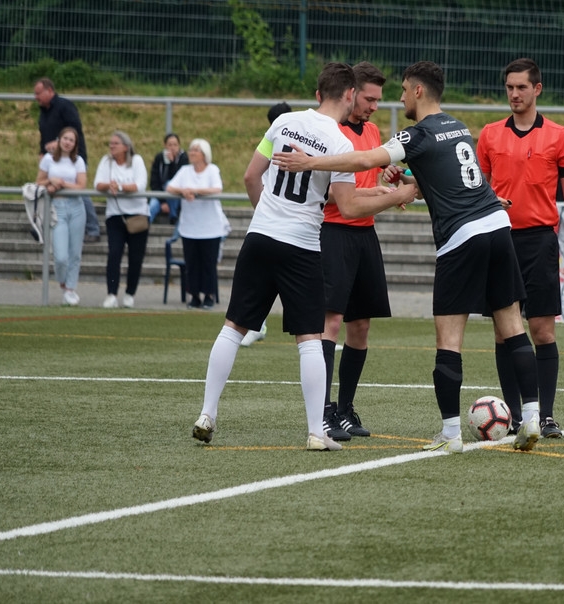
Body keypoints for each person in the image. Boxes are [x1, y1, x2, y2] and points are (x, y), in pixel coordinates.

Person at [273, 60, 545, 454]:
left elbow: (365, 160)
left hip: (462, 237)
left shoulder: (416, 133)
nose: (399, 99)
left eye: (402, 91)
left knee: (448, 339)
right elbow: (449, 176)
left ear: (418, 91)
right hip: (497, 226)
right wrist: (410, 180)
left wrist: (310, 162)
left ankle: (450, 434)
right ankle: (532, 417)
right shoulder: (458, 126)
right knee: (513, 327)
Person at [190, 62, 415, 452]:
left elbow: (250, 176)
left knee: (233, 328)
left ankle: (207, 414)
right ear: (349, 95)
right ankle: (316, 432)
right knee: (310, 339)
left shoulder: (283, 122)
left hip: (261, 236)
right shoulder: (341, 144)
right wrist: (399, 195)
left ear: (317, 94)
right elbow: (348, 207)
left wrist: (268, 216)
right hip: (302, 245)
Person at [476, 58, 564, 439]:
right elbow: (478, 189)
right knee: (503, 333)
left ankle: (545, 416)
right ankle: (512, 417)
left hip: (540, 242)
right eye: (509, 87)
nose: (514, 94)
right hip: (499, 240)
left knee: (542, 331)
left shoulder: (559, 137)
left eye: (521, 87)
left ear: (537, 89)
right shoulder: (490, 135)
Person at [318, 62, 394, 442]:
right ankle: (322, 410)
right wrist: (379, 194)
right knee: (330, 323)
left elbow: (372, 176)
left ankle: (345, 409)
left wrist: (387, 179)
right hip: (333, 233)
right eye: (369, 99)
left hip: (365, 234)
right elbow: (333, 194)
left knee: (360, 326)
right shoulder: (330, 132)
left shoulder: (374, 130)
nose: (374, 106)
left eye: (378, 100)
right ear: (350, 93)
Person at [239, 102, 293, 348]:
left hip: (278, 220)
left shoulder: (277, 138)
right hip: (285, 221)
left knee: (262, 278)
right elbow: (252, 177)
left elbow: (250, 177)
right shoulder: (277, 139)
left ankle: (256, 325)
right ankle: (319, 334)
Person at [34, 78, 101, 243]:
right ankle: (43, 223)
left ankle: (93, 227)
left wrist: (59, 142)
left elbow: (75, 128)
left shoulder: (65, 106)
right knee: (47, 187)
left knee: (78, 190)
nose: (36, 97)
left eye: (38, 93)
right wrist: (42, 151)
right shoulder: (43, 112)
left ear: (50, 91)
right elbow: (44, 134)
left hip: (73, 157)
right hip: (54, 159)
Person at [166, 138, 225, 310]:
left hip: (210, 227)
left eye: (196, 150)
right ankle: (194, 296)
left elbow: (217, 188)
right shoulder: (185, 171)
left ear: (204, 154)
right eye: (191, 150)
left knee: (208, 263)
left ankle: (209, 295)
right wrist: (183, 191)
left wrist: (195, 191)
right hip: (190, 226)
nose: (191, 153)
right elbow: (170, 187)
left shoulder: (212, 170)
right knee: (192, 264)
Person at [94, 130, 149, 309]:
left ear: (126, 147)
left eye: (115, 143)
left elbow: (140, 185)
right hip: (115, 215)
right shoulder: (106, 161)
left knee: (135, 257)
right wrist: (108, 185)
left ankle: (130, 293)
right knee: (114, 254)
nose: (112, 146)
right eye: (110, 143)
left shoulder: (137, 160)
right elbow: (97, 184)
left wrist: (120, 187)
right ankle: (111, 293)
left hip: (137, 215)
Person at [35, 126, 87, 306]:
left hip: (76, 207)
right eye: (65, 138)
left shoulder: (78, 161)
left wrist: (62, 184)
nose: (68, 143)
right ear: (59, 140)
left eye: (71, 140)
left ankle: (70, 289)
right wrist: (51, 181)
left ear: (75, 144)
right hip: (57, 208)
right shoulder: (48, 159)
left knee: (75, 253)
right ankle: (63, 282)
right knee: (60, 256)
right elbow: (39, 182)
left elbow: (81, 185)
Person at [148, 133, 189, 224]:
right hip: (160, 194)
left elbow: (179, 179)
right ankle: (145, 228)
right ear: (165, 145)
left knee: (169, 183)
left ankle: (173, 217)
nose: (172, 148)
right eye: (170, 145)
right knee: (151, 207)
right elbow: (154, 182)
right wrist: (163, 202)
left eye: (175, 145)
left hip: (177, 195)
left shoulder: (183, 158)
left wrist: (172, 163)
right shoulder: (159, 158)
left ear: (179, 145)